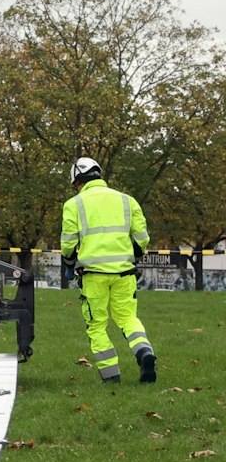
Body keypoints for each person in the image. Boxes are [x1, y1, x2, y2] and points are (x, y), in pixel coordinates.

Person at [59, 157, 155, 384]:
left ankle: (111, 377)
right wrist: (133, 258)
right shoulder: (127, 201)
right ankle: (144, 352)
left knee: (97, 325)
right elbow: (141, 239)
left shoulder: (74, 204)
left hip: (93, 276)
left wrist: (69, 265)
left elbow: (68, 243)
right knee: (128, 318)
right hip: (125, 274)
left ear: (77, 182)